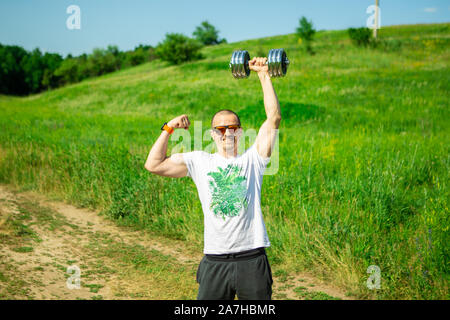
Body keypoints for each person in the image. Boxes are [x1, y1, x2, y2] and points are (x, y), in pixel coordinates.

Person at [144, 56, 281, 300]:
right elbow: (153, 164)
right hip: (215, 260)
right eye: (220, 128)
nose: (227, 132)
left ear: (240, 131)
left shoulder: (254, 160)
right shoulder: (200, 161)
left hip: (252, 259)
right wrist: (169, 128)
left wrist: (263, 74)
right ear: (212, 133)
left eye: (232, 127)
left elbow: (273, 119)